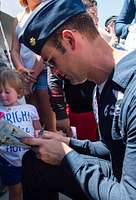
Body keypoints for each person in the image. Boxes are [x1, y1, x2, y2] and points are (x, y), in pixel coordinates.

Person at [18, 0, 136, 199]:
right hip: (119, 174)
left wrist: (66, 157)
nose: (54, 72)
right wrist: (66, 142)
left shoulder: (131, 91)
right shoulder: (102, 87)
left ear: (69, 40)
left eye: (52, 61)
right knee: (36, 160)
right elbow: (113, 149)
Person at [0, 70, 41, 200]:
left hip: (30, 158)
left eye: (7, 92)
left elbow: (38, 130)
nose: (2, 95)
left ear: (18, 92)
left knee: (33, 189)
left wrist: (37, 138)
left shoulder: (30, 109)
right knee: (15, 191)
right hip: (8, 160)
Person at [11, 0, 56, 131]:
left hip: (43, 70)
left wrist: (33, 76)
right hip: (24, 73)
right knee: (33, 115)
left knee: (47, 115)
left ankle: (56, 145)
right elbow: (14, 49)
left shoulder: (47, 11)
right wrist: (20, 69)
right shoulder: (18, 18)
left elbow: (47, 48)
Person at [48, 68, 98, 140]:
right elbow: (54, 81)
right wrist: (61, 115)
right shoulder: (59, 62)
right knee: (83, 147)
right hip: (79, 111)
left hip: (100, 105)